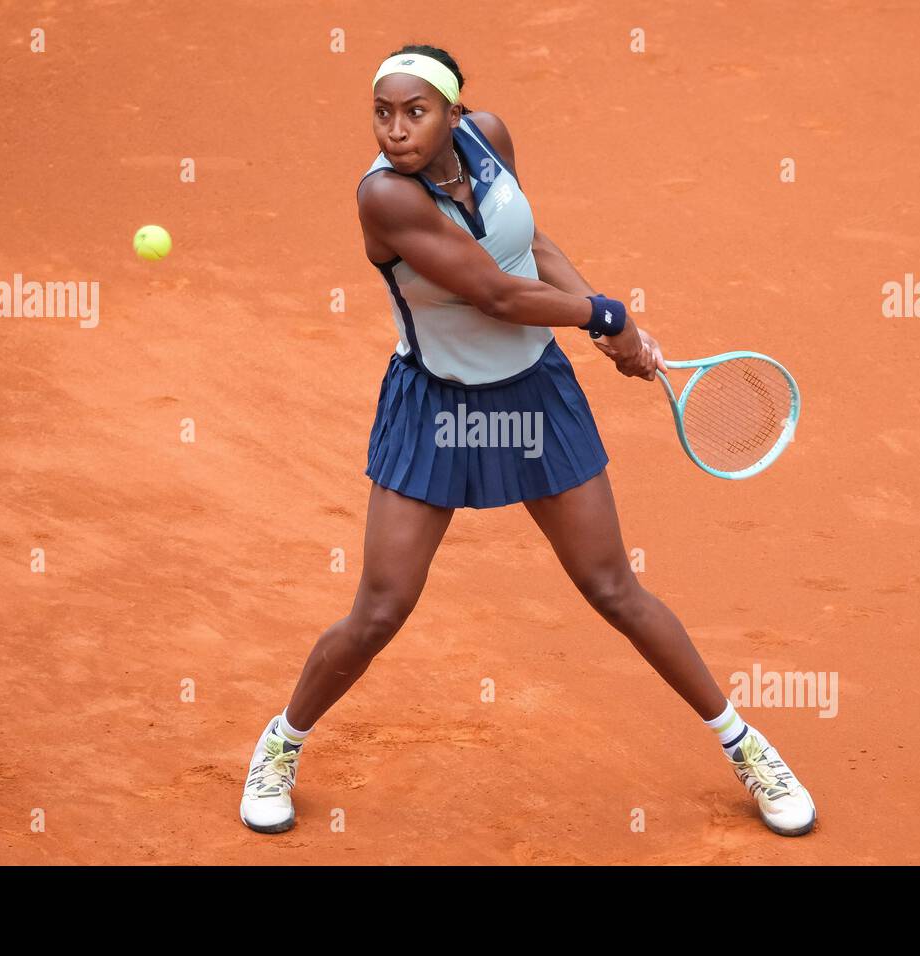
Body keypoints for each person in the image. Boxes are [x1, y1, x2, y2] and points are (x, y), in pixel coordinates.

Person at [239, 43, 817, 839]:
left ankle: (746, 746)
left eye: (416, 111)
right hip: (437, 410)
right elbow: (497, 294)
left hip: (536, 398)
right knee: (380, 608)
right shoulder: (385, 201)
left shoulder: (492, 139)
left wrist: (607, 324)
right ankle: (281, 744)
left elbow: (532, 250)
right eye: (382, 113)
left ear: (453, 112)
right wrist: (603, 316)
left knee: (615, 589)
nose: (396, 130)